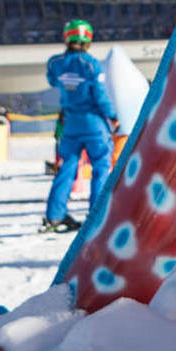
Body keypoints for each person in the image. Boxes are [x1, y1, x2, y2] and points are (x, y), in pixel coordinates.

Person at [41, 19, 116, 232]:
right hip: (93, 123)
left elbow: (53, 81)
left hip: (70, 124)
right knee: (101, 167)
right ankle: (97, 215)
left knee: (67, 168)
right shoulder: (91, 64)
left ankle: (54, 216)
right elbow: (100, 96)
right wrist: (112, 115)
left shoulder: (56, 63)